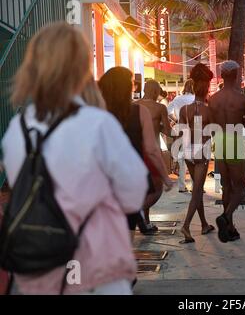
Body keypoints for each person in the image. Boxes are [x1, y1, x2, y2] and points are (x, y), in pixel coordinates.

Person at [1, 22, 147, 295]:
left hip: (39, 264)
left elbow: (18, 185)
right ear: (82, 68)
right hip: (97, 265)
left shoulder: (16, 130)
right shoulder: (97, 124)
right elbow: (133, 193)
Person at [98, 67, 172, 236]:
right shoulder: (139, 112)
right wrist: (166, 177)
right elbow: (151, 149)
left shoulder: (97, 112)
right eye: (131, 84)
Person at [209, 60, 245, 243]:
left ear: (222, 76)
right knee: (241, 187)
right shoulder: (243, 99)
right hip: (234, 139)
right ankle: (226, 217)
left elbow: (212, 126)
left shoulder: (213, 99)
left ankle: (230, 228)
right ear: (236, 75)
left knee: (226, 186)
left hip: (219, 140)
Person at [177, 64, 216, 244]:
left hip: (188, 150)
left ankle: (204, 224)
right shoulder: (209, 110)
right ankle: (186, 226)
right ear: (207, 88)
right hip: (201, 150)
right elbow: (213, 132)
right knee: (197, 190)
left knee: (197, 189)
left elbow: (180, 132)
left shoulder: (184, 110)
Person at [137, 80, 172, 223]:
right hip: (152, 150)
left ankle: (146, 221)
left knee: (143, 187)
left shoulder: (134, 105)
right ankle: (138, 214)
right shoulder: (160, 107)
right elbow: (168, 131)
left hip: (136, 149)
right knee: (157, 188)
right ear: (156, 91)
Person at [168, 79, 195, 193]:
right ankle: (196, 186)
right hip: (195, 128)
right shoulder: (195, 98)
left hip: (181, 128)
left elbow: (168, 111)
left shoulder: (177, 99)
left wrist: (176, 119)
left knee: (182, 157)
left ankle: (181, 186)